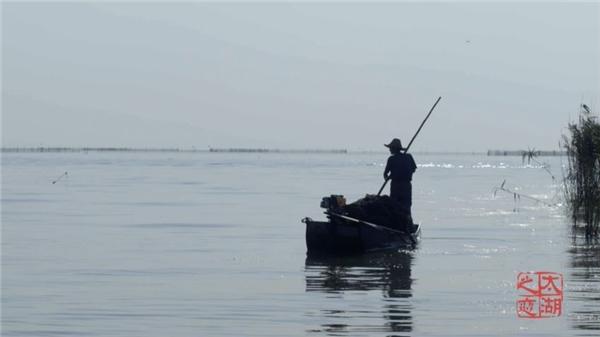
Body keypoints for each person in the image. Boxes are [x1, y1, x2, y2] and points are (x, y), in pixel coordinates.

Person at [383, 138, 417, 215]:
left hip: (398, 185)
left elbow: (385, 174)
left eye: (391, 148)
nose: (389, 150)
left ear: (394, 149)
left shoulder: (393, 159)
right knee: (404, 205)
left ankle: (403, 222)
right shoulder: (407, 157)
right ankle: (405, 221)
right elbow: (413, 169)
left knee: (397, 205)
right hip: (403, 185)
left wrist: (388, 177)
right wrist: (388, 177)